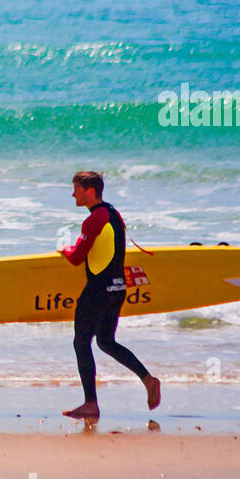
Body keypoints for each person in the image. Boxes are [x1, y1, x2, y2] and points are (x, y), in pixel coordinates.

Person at [58, 171, 161, 419]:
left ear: (90, 191)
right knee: (105, 341)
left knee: (81, 342)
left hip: (98, 290)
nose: (73, 194)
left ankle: (90, 404)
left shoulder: (94, 220)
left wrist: (64, 249)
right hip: (118, 288)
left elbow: (76, 258)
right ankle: (148, 379)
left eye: (76, 189)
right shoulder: (115, 215)